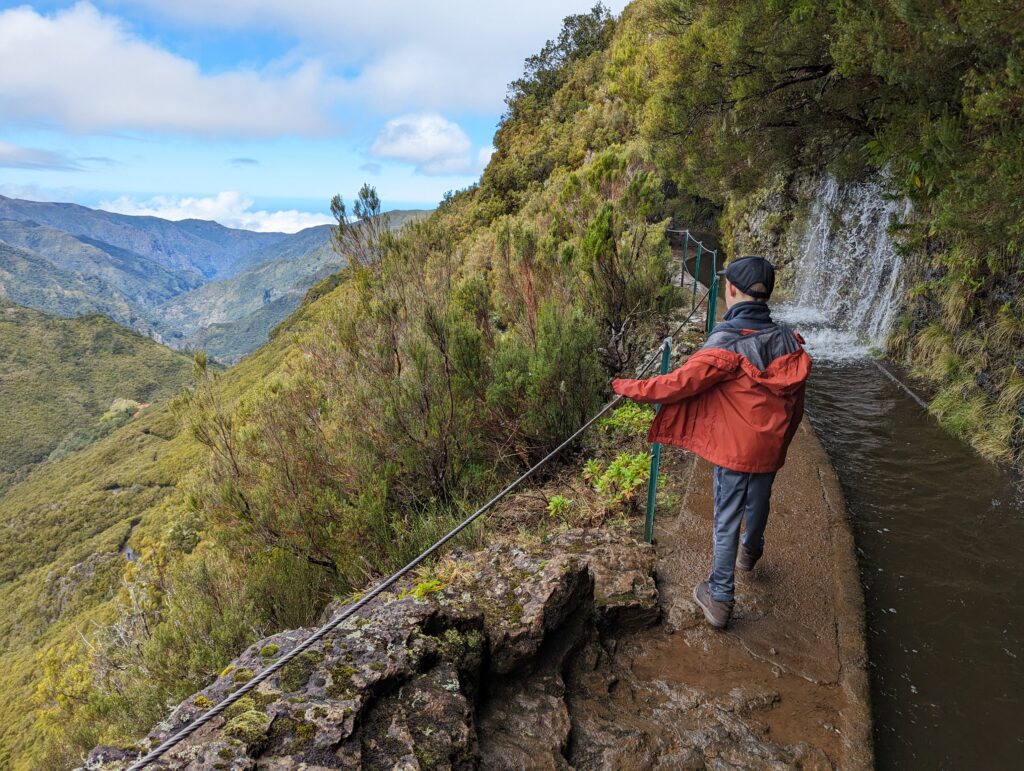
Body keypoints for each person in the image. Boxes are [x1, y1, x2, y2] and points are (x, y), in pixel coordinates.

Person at [611, 256, 811, 629]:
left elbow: (677, 383)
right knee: (760, 500)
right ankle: (750, 553)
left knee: (726, 518)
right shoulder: (787, 340)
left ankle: (719, 598)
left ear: (731, 289)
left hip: (736, 450)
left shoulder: (726, 343)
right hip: (770, 447)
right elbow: (796, 404)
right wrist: (783, 442)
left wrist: (627, 387)